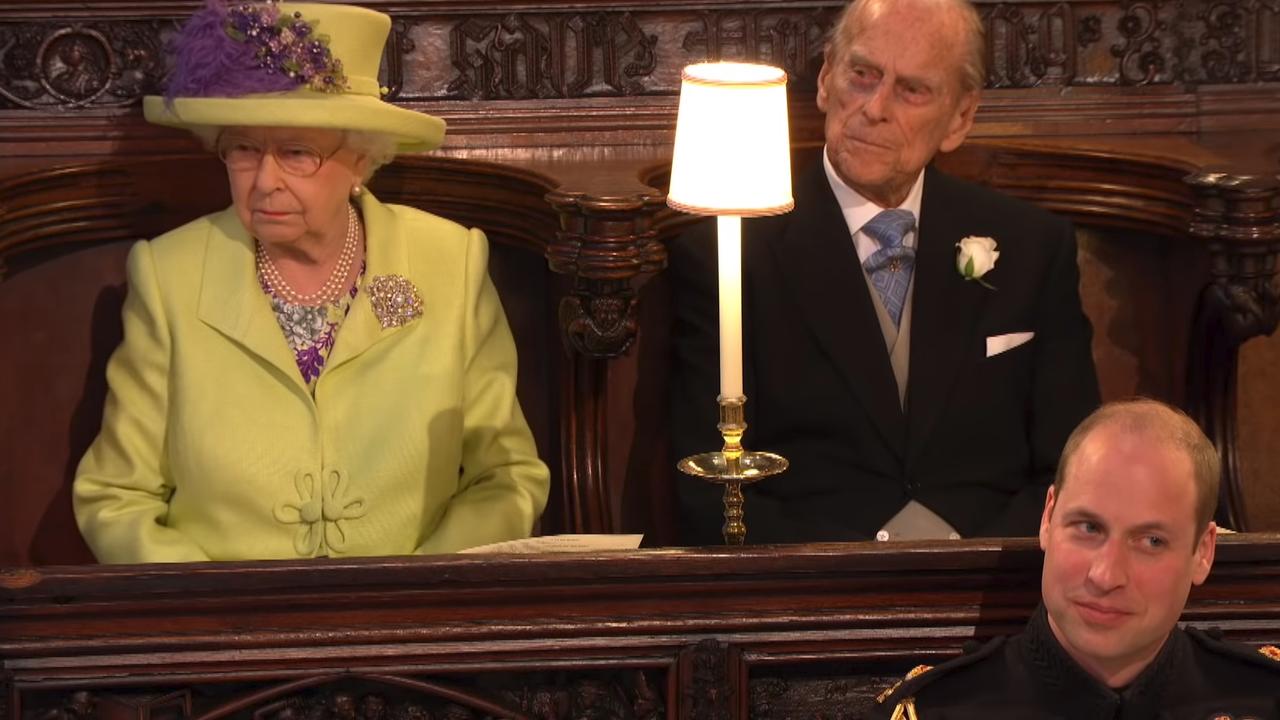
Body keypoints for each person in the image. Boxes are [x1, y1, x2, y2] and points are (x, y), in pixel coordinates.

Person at [72, 1, 550, 562]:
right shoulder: (169, 273)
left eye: (297, 153)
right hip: (230, 631)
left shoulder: (449, 261)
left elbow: (507, 476)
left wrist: (421, 592)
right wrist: (220, 614)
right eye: (244, 149)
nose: (264, 181)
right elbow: (115, 497)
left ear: (361, 160)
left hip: (412, 626)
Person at [667, 0, 1100, 545]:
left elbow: (1077, 472)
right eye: (862, 75)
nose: (874, 108)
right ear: (826, 79)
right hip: (811, 591)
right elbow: (704, 488)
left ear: (960, 118)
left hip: (996, 582)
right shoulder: (726, 256)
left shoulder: (1034, 249)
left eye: (911, 89)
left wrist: (967, 558)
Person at [871, 399, 1280, 718]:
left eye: (1151, 541)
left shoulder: (1265, 699)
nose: (1105, 576)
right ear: (1048, 517)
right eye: (1088, 528)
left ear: (1203, 552)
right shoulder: (936, 711)